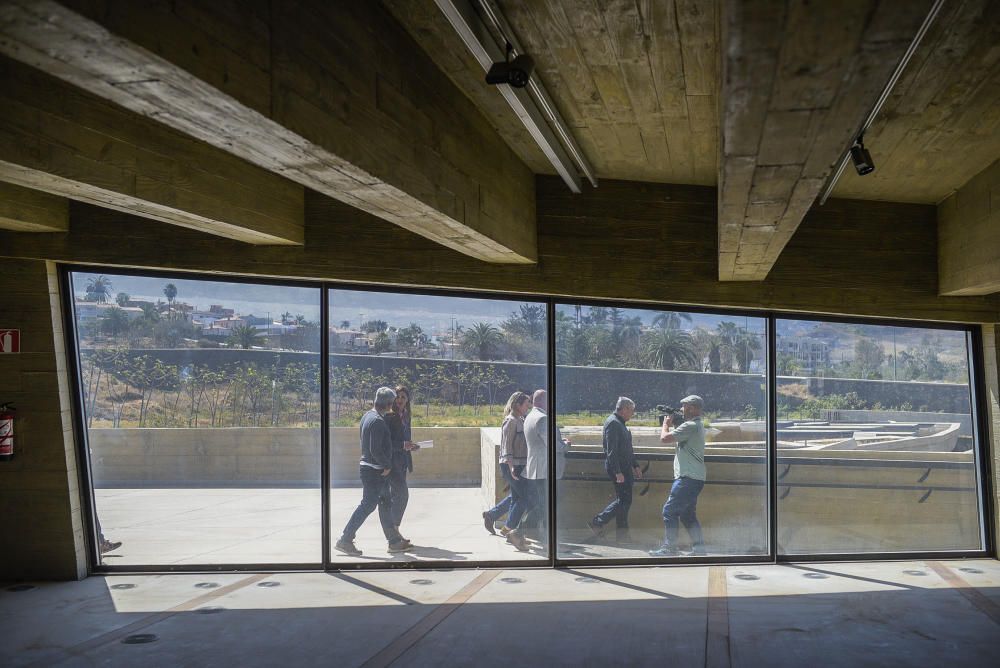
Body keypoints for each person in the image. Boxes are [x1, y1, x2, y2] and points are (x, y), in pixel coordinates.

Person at [335, 387, 411, 557]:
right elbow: (375, 449)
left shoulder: (367, 416)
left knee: (385, 504)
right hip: (373, 471)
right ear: (389, 404)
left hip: (371, 469)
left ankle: (393, 541)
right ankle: (346, 539)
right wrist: (387, 465)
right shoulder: (377, 421)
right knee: (368, 505)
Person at [650, 395, 707, 556]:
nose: (682, 409)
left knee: (669, 511)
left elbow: (664, 438)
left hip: (687, 478)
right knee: (688, 515)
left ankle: (670, 548)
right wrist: (676, 423)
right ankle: (699, 548)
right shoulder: (696, 425)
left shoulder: (690, 425)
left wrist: (666, 424)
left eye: (685, 407)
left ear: (693, 408)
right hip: (695, 478)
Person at [588, 397, 642, 543]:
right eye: (631, 410)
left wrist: (635, 465)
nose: (632, 414)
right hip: (619, 469)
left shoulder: (620, 423)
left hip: (624, 468)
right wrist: (618, 472)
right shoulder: (613, 423)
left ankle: (622, 535)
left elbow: (627, 449)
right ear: (624, 409)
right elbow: (611, 451)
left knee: (624, 501)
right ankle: (598, 521)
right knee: (624, 500)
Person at [482, 391, 531, 536]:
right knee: (525, 497)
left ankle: (491, 516)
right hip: (511, 465)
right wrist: (511, 468)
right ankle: (508, 528)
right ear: (517, 405)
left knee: (516, 497)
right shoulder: (511, 421)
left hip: (518, 465)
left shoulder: (521, 419)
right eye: (526, 403)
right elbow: (506, 446)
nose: (529, 406)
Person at [508, 389, 549, 551]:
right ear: (544, 401)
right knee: (543, 505)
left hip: (534, 468)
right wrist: (565, 445)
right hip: (543, 468)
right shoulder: (542, 418)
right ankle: (518, 531)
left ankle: (522, 533)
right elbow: (550, 444)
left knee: (538, 503)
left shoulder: (530, 417)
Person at [385, 385, 419, 541]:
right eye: (397, 396)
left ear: (408, 400)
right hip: (392, 463)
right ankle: (394, 532)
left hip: (403, 461)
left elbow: (405, 439)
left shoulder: (406, 415)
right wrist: (403, 445)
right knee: (402, 495)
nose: (399, 400)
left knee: (395, 496)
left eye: (403, 397)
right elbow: (387, 442)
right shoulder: (389, 417)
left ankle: (393, 533)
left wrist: (412, 446)